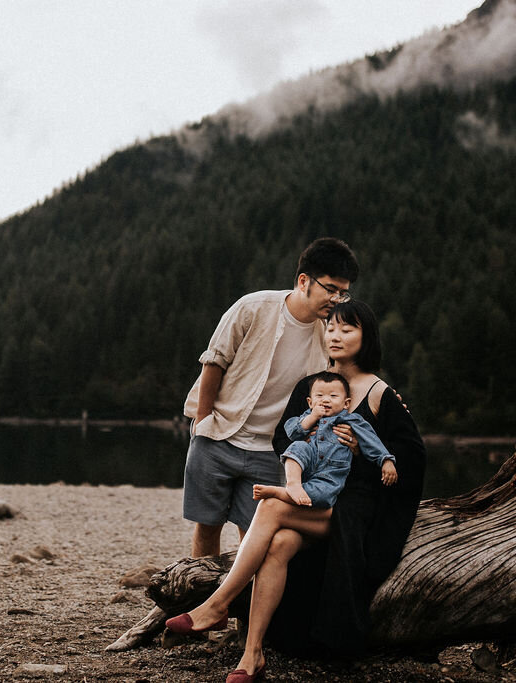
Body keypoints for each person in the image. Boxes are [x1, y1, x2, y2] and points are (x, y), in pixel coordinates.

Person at [168, 301, 426, 682]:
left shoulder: (378, 392)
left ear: (366, 337)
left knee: (271, 507)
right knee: (279, 543)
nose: (336, 336)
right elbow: (281, 437)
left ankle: (217, 603)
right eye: (332, 328)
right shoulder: (314, 386)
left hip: (353, 508)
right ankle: (252, 654)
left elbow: (411, 457)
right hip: (313, 497)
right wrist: (311, 428)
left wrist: (360, 452)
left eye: (347, 329)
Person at [182, 238, 360, 558]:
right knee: (206, 526)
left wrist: (388, 400)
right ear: (304, 280)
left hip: (270, 450)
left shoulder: (329, 337)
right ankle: (203, 605)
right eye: (330, 288)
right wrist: (204, 420)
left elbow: (348, 383)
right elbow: (214, 361)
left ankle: (240, 606)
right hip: (219, 434)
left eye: (342, 292)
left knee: (253, 536)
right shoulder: (253, 307)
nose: (337, 299)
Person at [256, 370, 397, 510]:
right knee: (297, 446)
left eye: (333, 396)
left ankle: (279, 493)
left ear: (346, 403)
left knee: (323, 496)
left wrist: (386, 460)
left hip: (330, 475)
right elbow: (291, 432)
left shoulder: (352, 421)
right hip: (305, 465)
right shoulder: (307, 417)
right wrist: (312, 417)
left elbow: (371, 440)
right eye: (319, 395)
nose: (325, 399)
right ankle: (293, 483)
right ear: (310, 402)